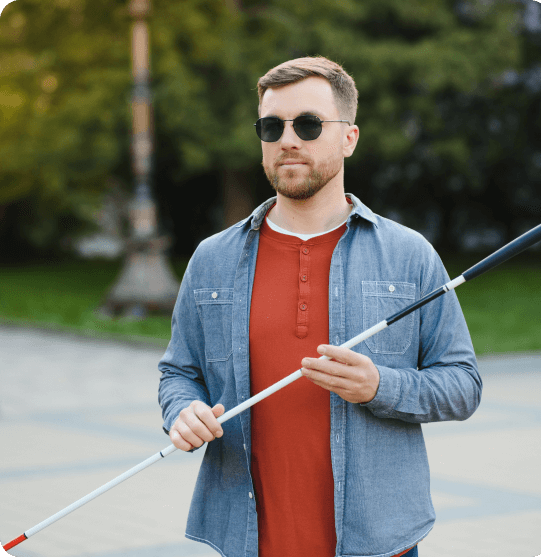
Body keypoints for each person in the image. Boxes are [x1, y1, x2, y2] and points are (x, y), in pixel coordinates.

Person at [158, 55, 482, 557]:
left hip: (377, 542)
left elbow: (463, 385)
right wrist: (183, 410)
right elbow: (179, 372)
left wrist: (381, 385)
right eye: (272, 126)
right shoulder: (212, 258)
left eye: (309, 124)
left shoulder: (408, 253)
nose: (288, 139)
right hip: (249, 541)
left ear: (349, 137)